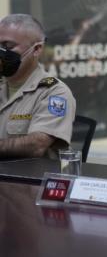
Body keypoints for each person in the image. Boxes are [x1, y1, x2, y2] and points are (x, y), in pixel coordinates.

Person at [0, 14, 76, 159]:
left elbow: (35, 146)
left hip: (29, 179)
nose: (2, 52)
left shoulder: (54, 92)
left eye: (8, 46)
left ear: (37, 49)